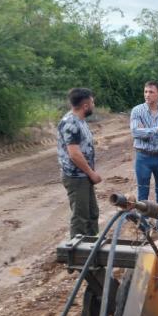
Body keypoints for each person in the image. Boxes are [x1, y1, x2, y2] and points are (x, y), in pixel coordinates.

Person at [57, 87, 101, 237]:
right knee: (80, 217)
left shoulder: (79, 120)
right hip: (76, 177)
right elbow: (74, 154)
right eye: (92, 102)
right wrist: (91, 173)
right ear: (85, 106)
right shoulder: (71, 124)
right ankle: (78, 256)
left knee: (92, 213)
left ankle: (92, 248)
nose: (94, 105)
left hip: (83, 176)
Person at [130, 81, 158, 206]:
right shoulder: (137, 111)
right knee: (142, 194)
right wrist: (157, 130)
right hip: (143, 158)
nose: (147, 95)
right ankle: (144, 225)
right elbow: (135, 133)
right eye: (145, 92)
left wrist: (146, 133)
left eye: (151, 92)